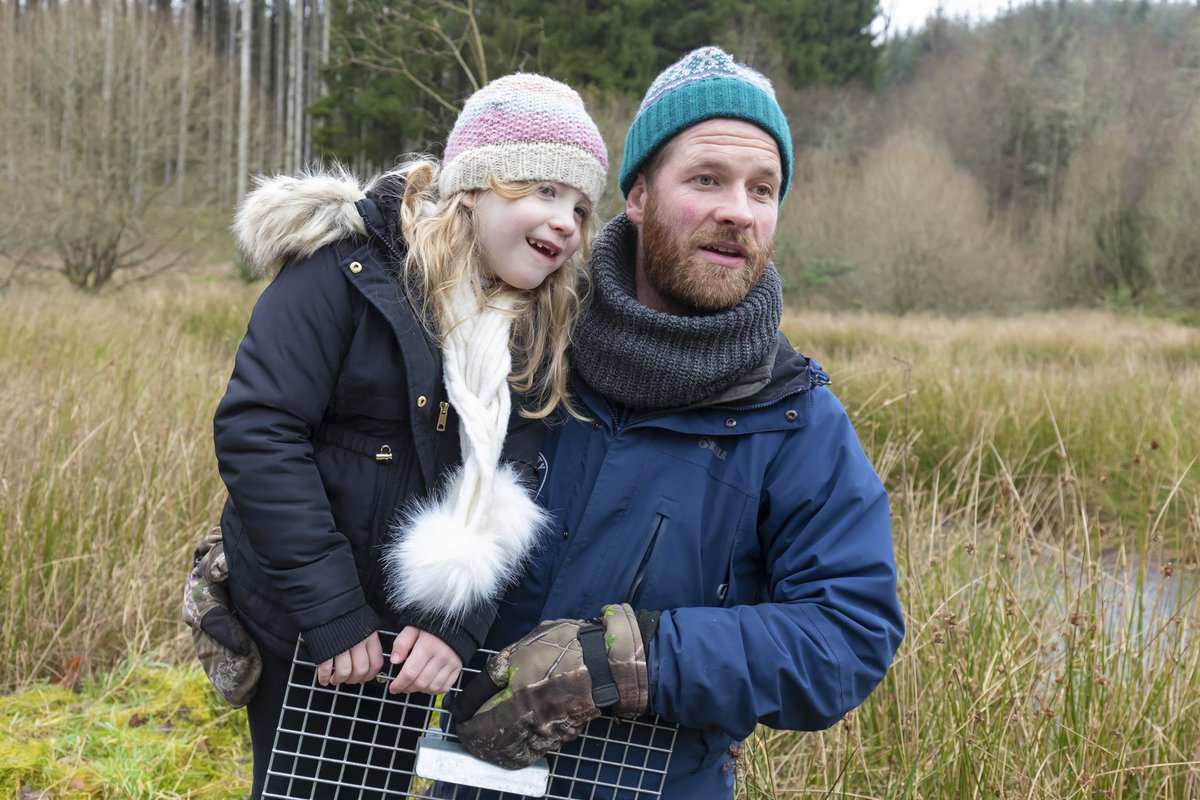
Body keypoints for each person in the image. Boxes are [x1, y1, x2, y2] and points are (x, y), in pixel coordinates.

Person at [452, 47, 905, 797]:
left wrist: (626, 662)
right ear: (636, 196)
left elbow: (848, 637)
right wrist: (266, 562)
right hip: (470, 781)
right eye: (706, 180)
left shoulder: (796, 420)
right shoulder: (513, 351)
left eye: (764, 189)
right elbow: (375, 467)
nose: (739, 209)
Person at [211, 73, 608, 797]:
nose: (567, 223)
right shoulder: (345, 269)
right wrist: (333, 613)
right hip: (305, 628)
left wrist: (450, 627)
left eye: (581, 206)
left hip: (407, 649)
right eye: (545, 191)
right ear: (477, 185)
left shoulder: (530, 331)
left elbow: (506, 487)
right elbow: (259, 431)